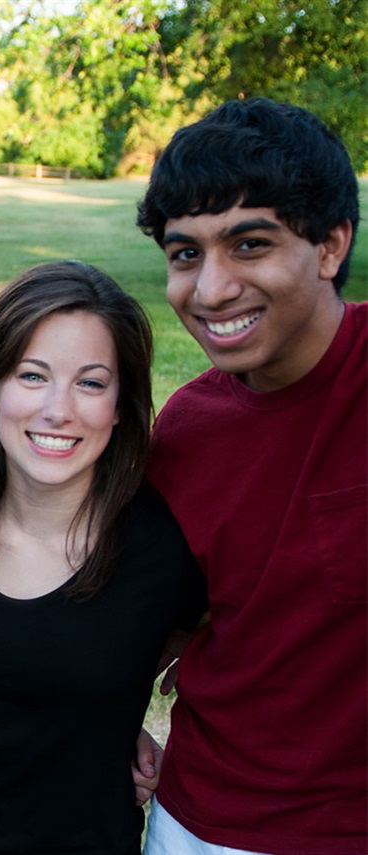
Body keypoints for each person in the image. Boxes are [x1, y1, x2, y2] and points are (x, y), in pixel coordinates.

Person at [0, 261, 206, 854]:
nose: (59, 410)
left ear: (120, 405)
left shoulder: (164, 546)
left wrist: (106, 713)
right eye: (32, 376)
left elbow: (183, 640)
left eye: (90, 383)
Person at [135, 98, 366, 854]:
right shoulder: (190, 428)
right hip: (201, 821)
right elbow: (162, 615)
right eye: (185, 254)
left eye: (250, 243)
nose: (210, 290)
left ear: (331, 246)